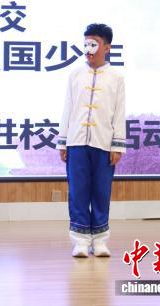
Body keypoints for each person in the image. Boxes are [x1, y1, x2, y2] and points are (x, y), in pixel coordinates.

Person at [57, 23, 126, 258]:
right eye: (86, 44)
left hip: (104, 143)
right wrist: (63, 141)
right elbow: (67, 108)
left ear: (107, 47)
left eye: (94, 44)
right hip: (76, 142)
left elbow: (119, 112)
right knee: (78, 191)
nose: (88, 49)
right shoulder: (75, 74)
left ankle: (99, 240)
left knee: (101, 192)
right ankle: (80, 241)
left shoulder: (116, 77)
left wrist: (117, 145)